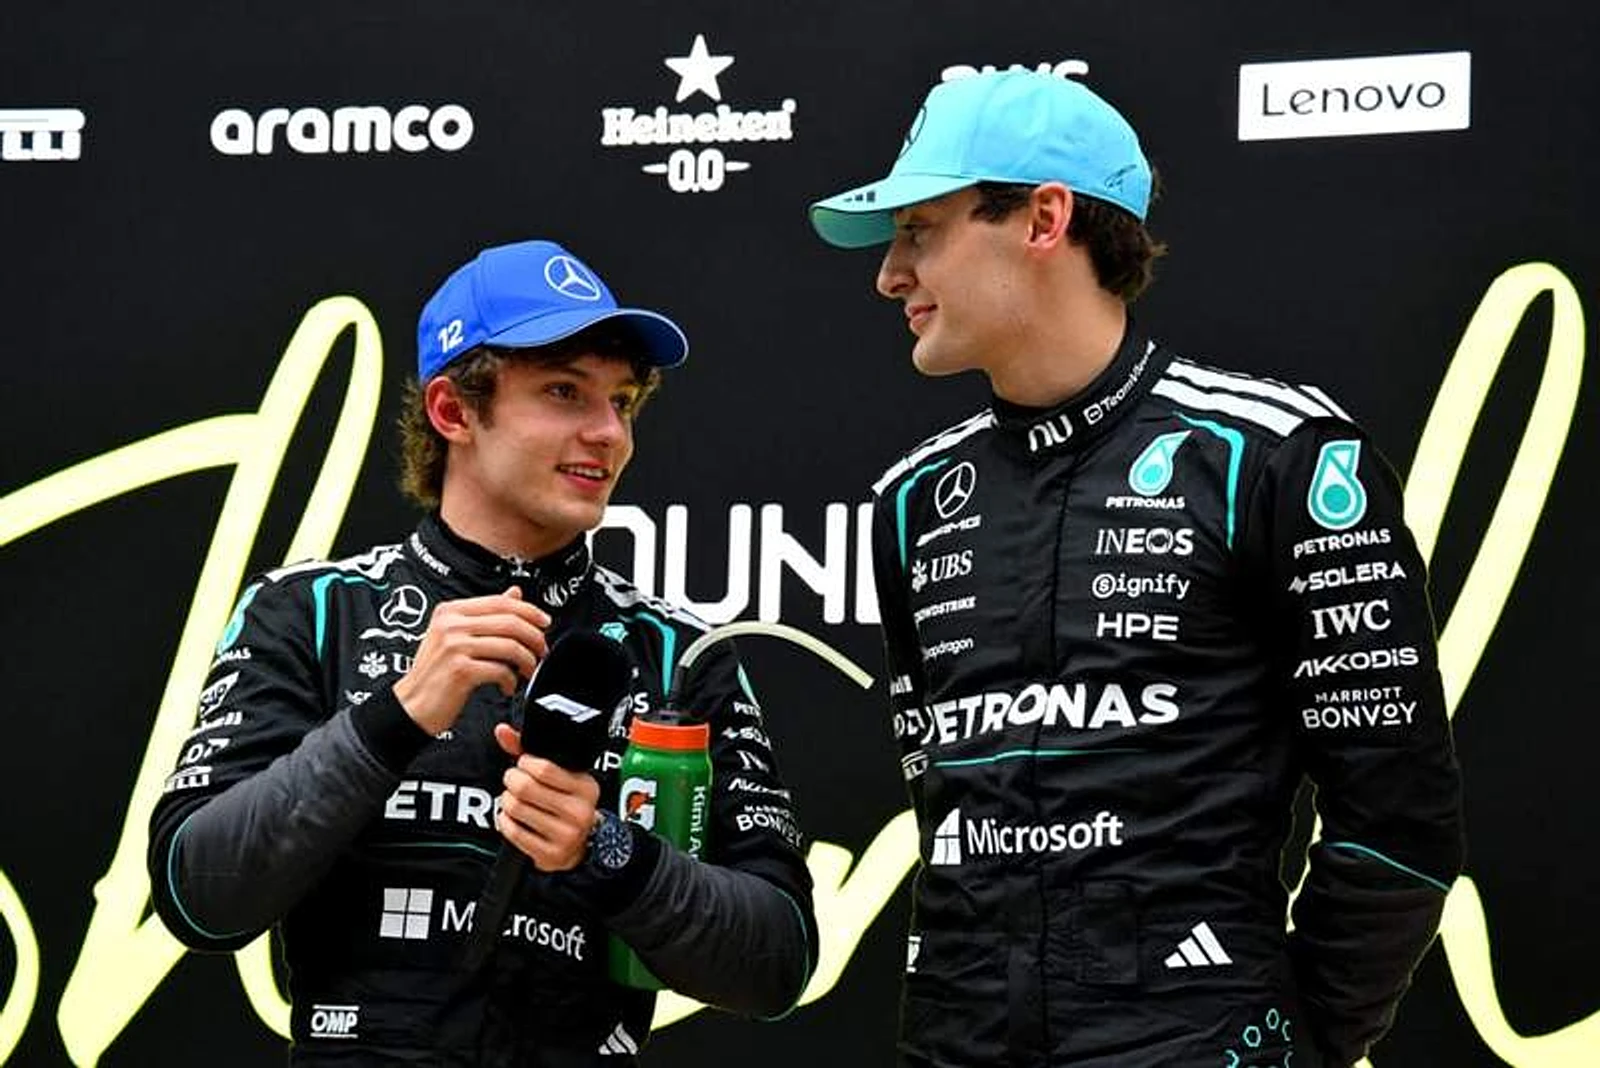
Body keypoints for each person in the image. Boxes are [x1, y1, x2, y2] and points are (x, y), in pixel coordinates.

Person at [808, 70, 1463, 1068]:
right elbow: (941, 813)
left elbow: (1397, 827)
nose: (890, 276)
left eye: (919, 231)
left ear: (1044, 219)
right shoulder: (911, 500)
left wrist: (1298, 1044)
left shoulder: (1271, 453)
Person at [148, 239, 818, 1066]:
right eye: (565, 392)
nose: (608, 433)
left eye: (622, 402)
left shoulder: (681, 653)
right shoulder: (311, 611)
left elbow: (778, 962)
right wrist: (394, 720)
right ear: (452, 411)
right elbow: (196, 895)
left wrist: (607, 850)